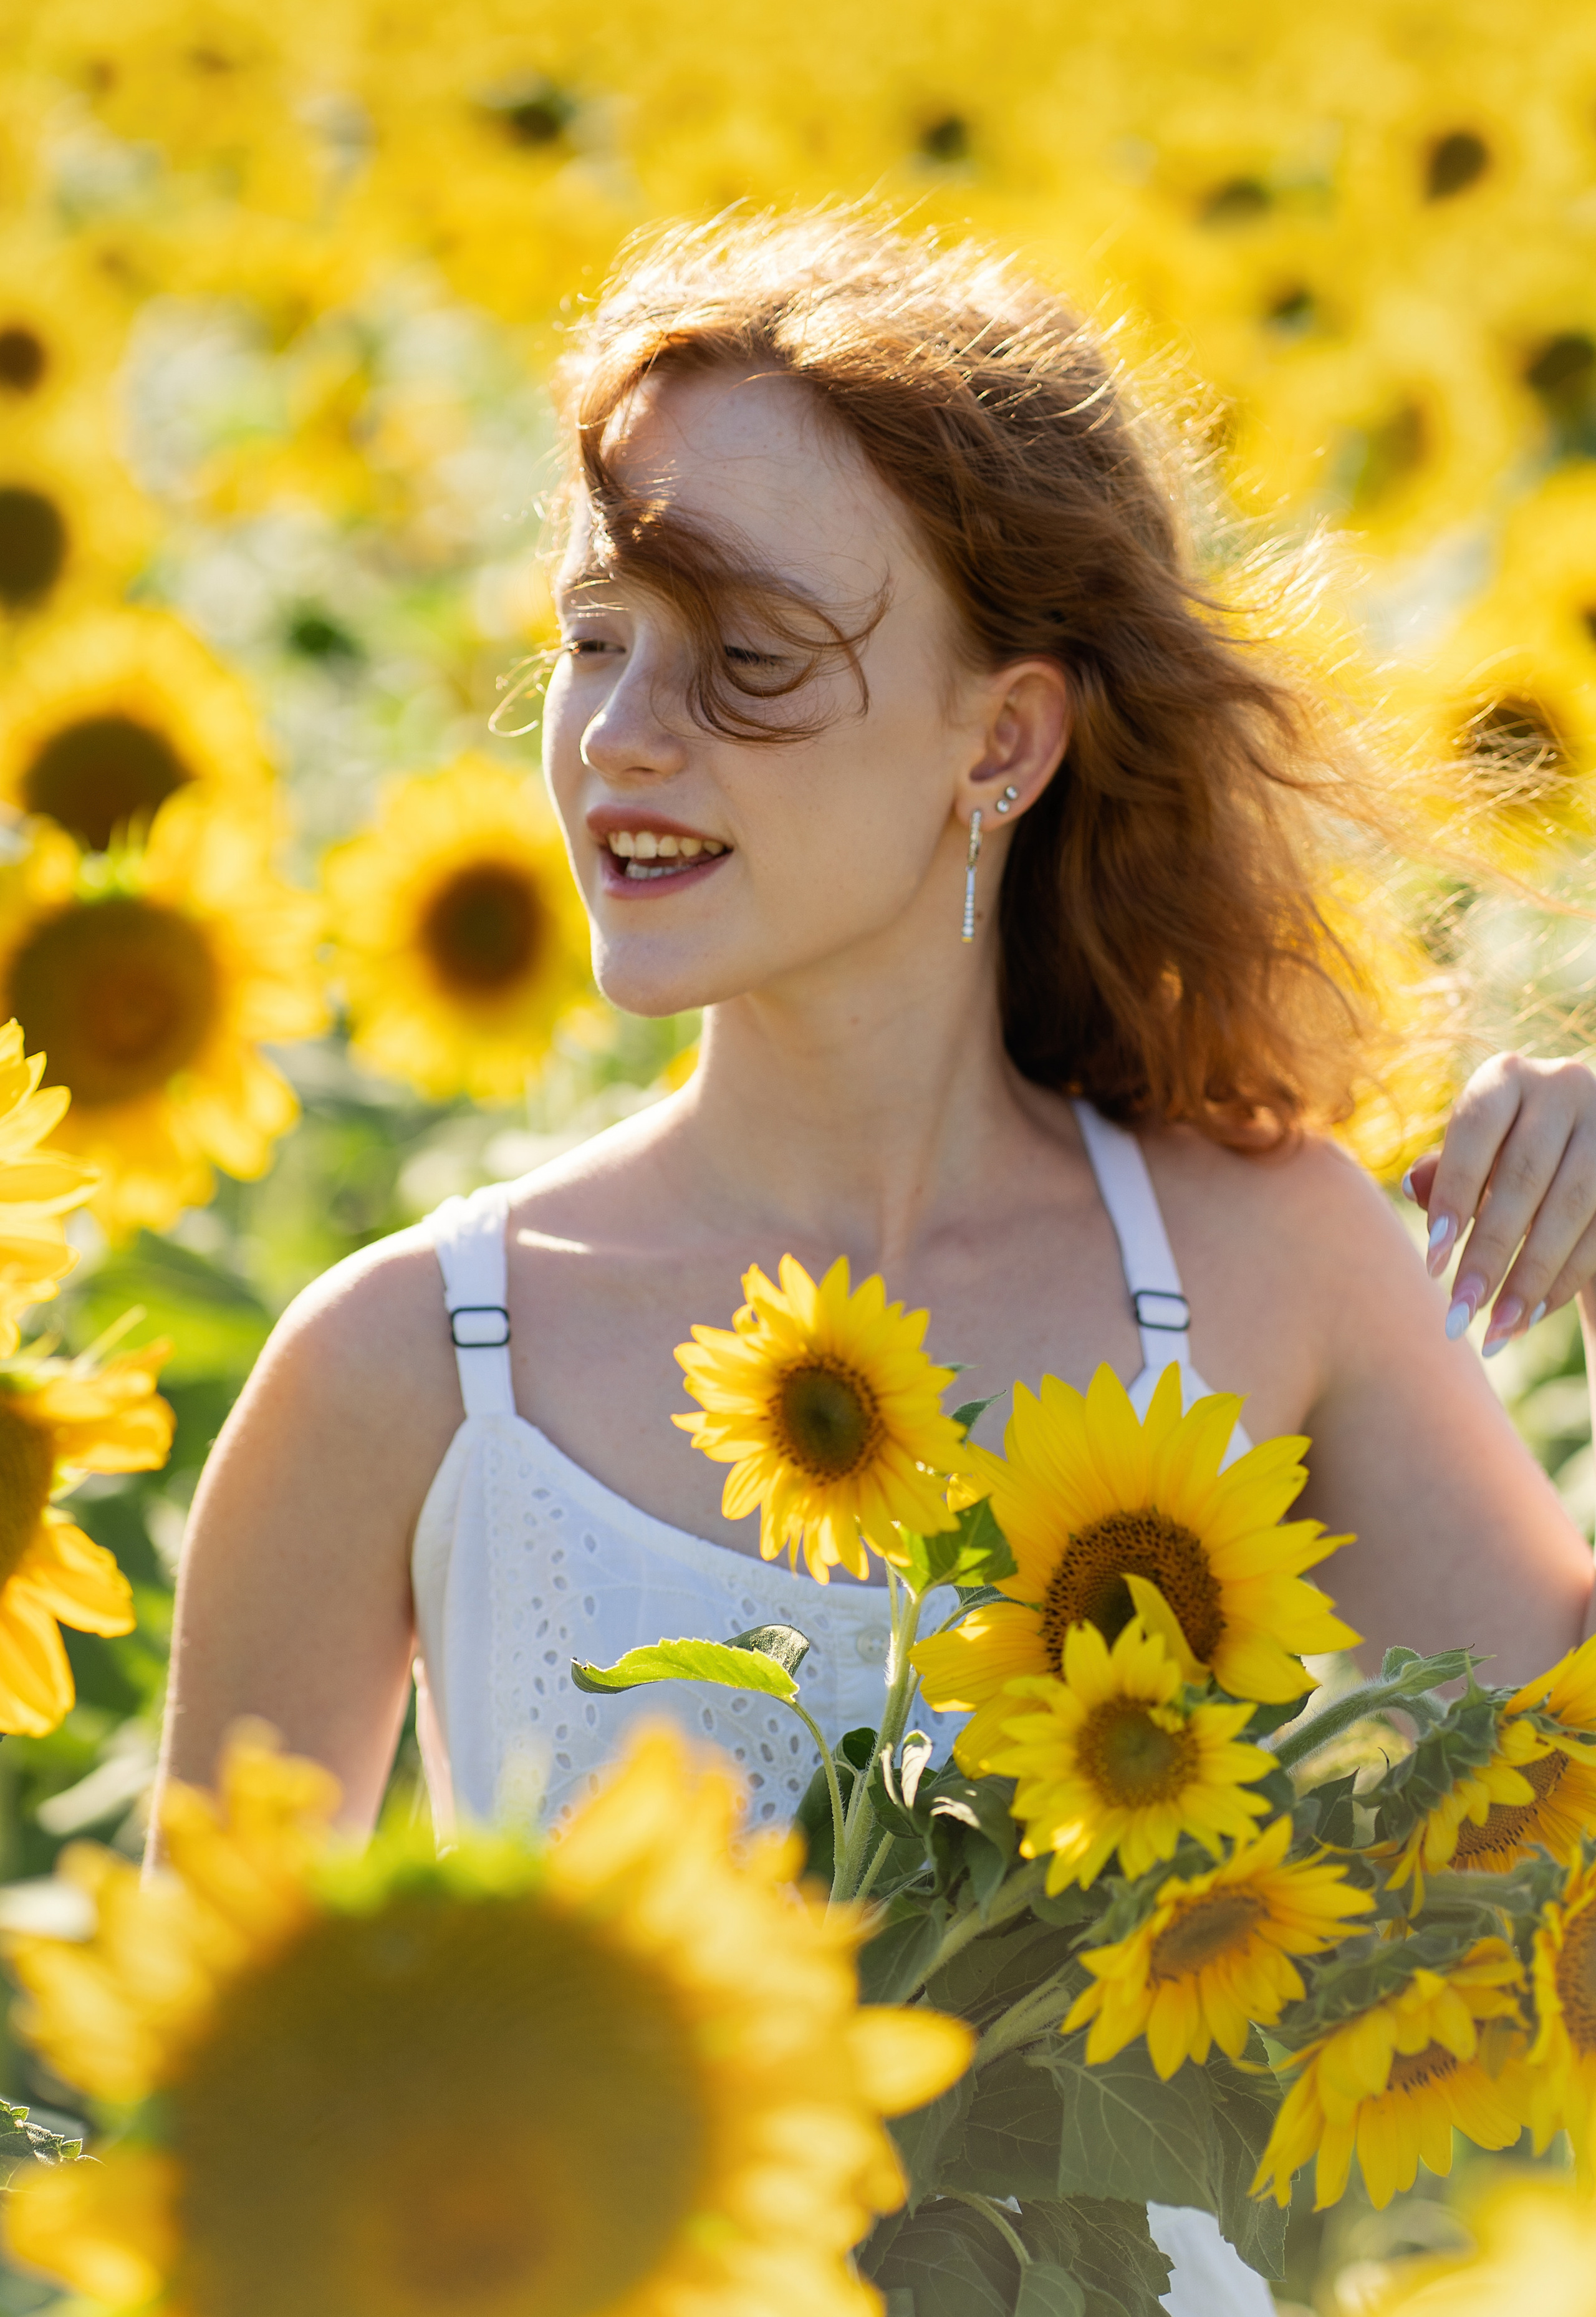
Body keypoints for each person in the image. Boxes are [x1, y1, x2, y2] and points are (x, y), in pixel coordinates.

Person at [152, 211, 1596, 2314]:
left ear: (998, 745)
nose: (624, 738)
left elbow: (1561, 1856)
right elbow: (224, 2146)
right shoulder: (405, 1360)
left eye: (745, 664)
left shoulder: (1270, 1256)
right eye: (594, 639)